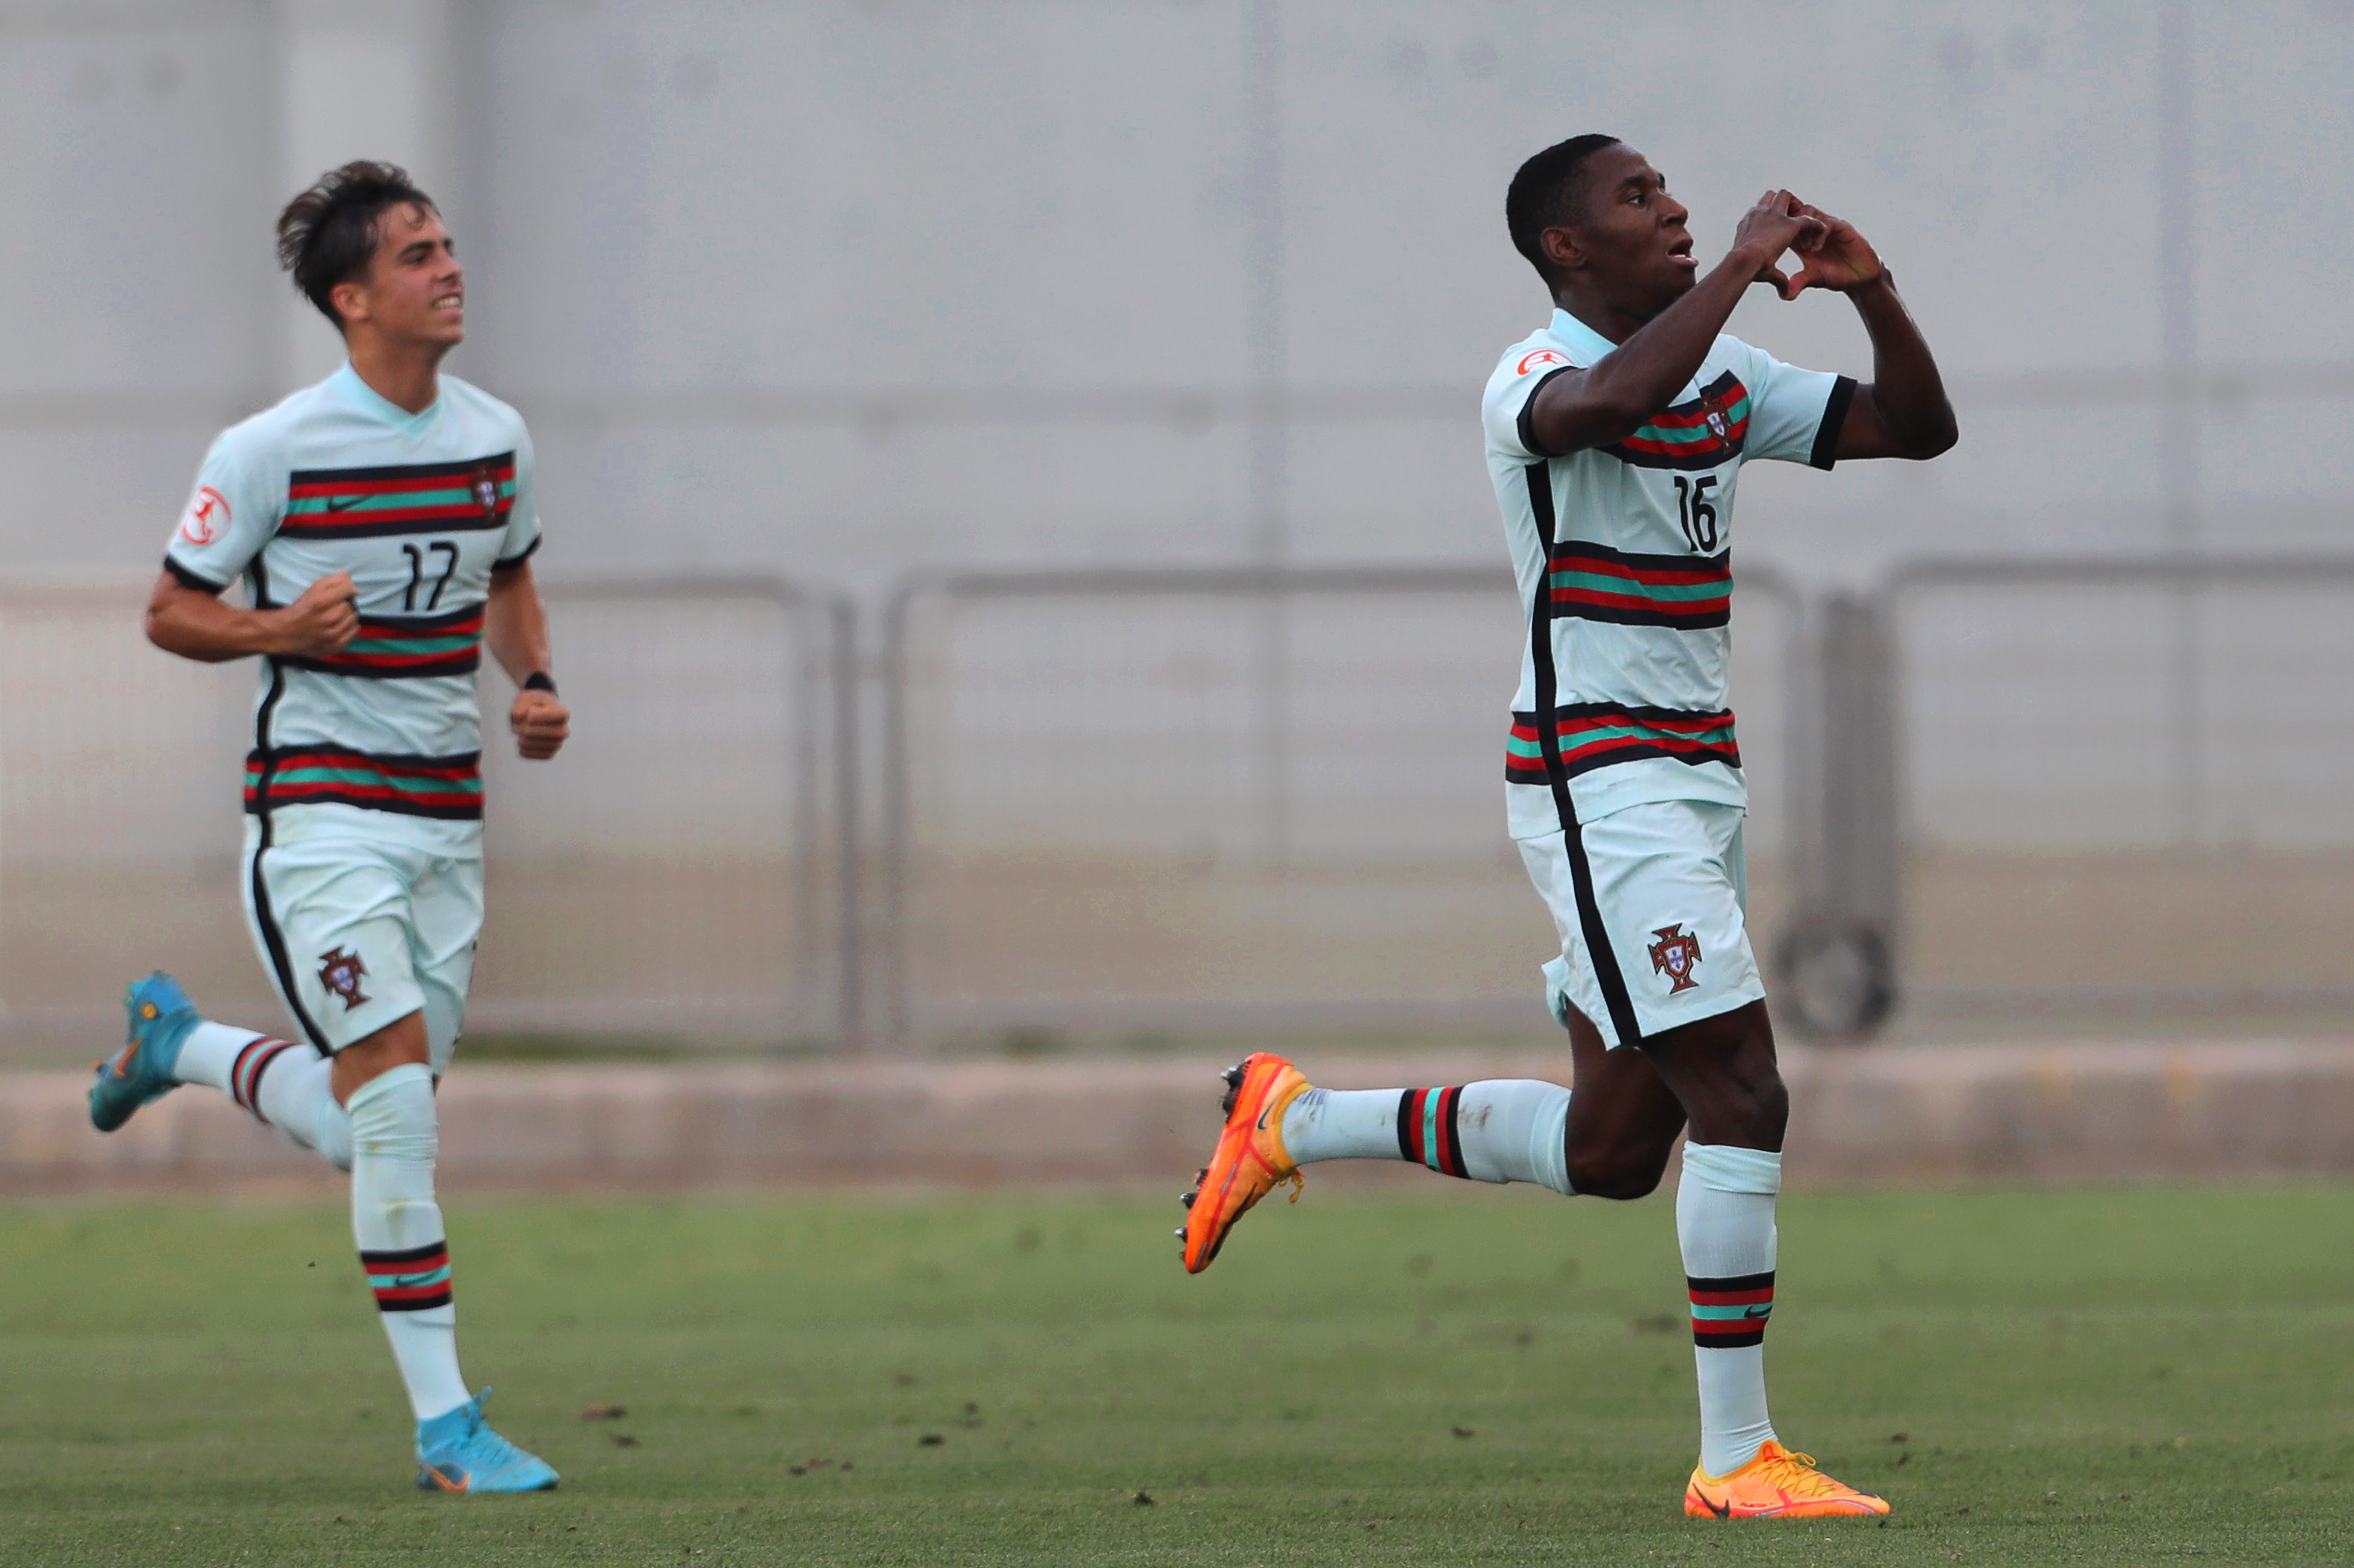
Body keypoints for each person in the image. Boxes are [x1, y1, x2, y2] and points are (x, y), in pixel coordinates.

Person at [1178, 135, 1956, 1521]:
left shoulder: (1723, 374)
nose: (1671, 208)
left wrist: (1871, 289)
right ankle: (1734, 1463)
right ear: (1565, 250)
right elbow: (1603, 406)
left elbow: (1914, 429)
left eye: (1670, 192)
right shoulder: (1531, 379)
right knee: (1744, 1093)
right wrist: (1731, 263)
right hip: (1600, 787)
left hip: (1693, 783)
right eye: (1637, 198)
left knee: (1611, 1153)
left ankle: (1297, 1119)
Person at [89, 162, 572, 1493]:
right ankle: (448, 1431)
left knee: (376, 1119)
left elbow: (511, 574)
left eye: (449, 243)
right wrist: (278, 629)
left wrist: (529, 683)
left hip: (446, 824)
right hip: (320, 815)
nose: (450, 266)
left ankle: (180, 1046)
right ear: (354, 300)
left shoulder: (495, 436)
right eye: (418, 255)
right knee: (403, 1113)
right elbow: (170, 611)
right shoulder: (271, 451)